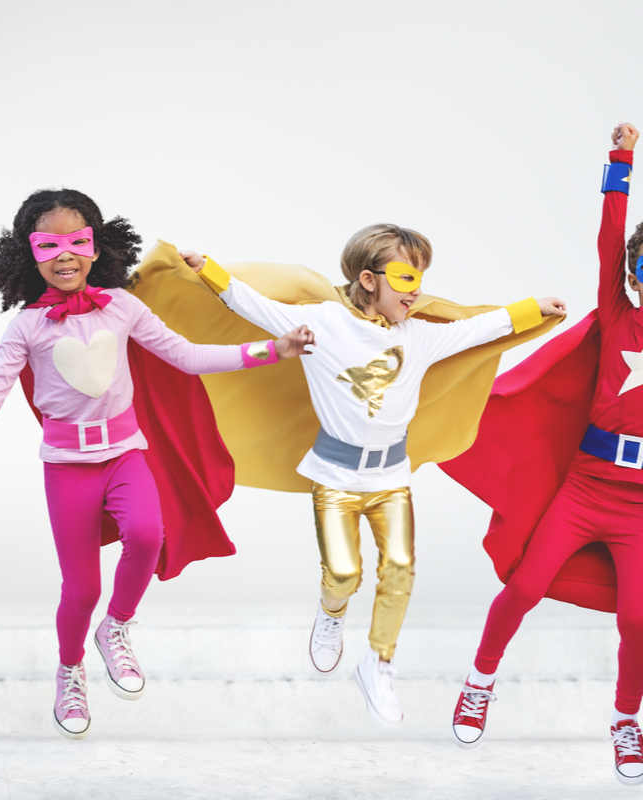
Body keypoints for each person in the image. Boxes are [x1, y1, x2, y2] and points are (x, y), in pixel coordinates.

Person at [0, 188, 314, 740]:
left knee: (146, 533)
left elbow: (187, 356)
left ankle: (115, 628)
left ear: (98, 246)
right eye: (49, 245)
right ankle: (70, 672)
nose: (65, 255)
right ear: (29, 254)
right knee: (80, 590)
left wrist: (271, 350)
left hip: (124, 454)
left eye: (77, 242)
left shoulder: (122, 306)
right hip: (66, 467)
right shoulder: (26, 327)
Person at [179, 229, 564, 729]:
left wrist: (534, 307)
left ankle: (378, 663)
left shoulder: (419, 336)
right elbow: (253, 304)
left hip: (390, 479)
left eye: (419, 278)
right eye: (404, 277)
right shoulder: (324, 322)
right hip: (335, 476)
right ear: (367, 279)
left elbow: (479, 328)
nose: (415, 289)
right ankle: (331, 613)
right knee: (343, 574)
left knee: (400, 569)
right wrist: (205, 267)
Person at [442, 123, 643, 786]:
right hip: (584, 489)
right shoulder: (618, 313)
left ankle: (625, 720)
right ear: (634, 277)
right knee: (523, 588)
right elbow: (609, 238)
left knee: (639, 622)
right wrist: (620, 161)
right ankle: (479, 682)